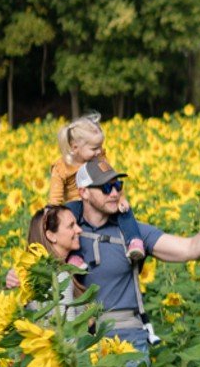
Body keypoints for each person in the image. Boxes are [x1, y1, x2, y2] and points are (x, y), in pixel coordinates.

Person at [67, 157, 200, 367]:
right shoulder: (67, 231)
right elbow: (37, 254)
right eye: (105, 187)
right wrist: (14, 277)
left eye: (118, 186)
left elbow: (190, 249)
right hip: (83, 339)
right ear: (83, 192)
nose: (114, 193)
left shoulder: (132, 232)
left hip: (128, 338)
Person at [49, 113, 145, 264]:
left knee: (125, 211)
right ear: (75, 148)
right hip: (75, 203)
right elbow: (55, 195)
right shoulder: (62, 167)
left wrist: (121, 198)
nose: (99, 151)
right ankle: (76, 256)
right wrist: (52, 212)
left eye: (100, 146)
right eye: (94, 148)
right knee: (72, 227)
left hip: (99, 200)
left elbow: (112, 180)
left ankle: (134, 241)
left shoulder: (99, 159)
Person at [25, 205, 86, 319]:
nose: (79, 230)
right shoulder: (60, 278)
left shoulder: (38, 274)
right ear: (51, 236)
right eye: (71, 226)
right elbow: (67, 332)